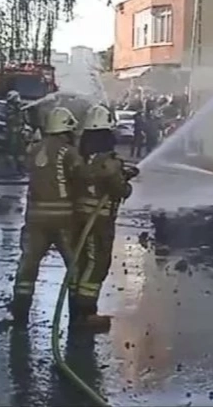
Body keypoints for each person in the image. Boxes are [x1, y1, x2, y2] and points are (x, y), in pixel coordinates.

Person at [10, 106, 87, 326]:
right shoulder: (68, 152)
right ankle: (77, 315)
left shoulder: (34, 150)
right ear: (66, 129)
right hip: (63, 220)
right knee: (74, 266)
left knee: (28, 265)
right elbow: (82, 177)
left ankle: (20, 312)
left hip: (35, 220)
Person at [74, 104, 138, 332]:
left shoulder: (80, 156)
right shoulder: (108, 162)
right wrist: (125, 181)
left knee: (83, 262)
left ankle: (78, 308)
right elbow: (120, 190)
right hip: (99, 221)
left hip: (79, 217)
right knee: (98, 264)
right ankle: (86, 312)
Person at [5, 90, 25, 173]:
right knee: (13, 148)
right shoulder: (10, 108)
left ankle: (19, 166)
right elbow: (10, 118)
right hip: (13, 132)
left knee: (20, 149)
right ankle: (12, 168)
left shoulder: (18, 108)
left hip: (18, 131)